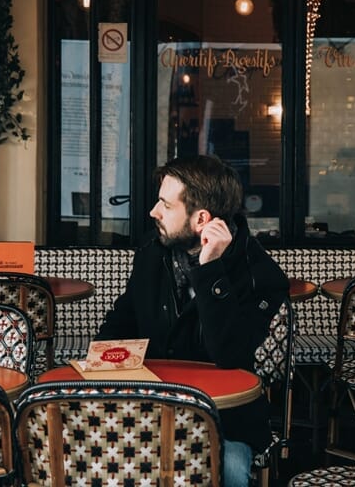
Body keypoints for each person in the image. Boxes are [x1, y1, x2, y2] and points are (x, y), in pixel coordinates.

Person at [96, 154, 290, 486]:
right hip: (149, 410)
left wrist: (210, 269)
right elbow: (120, 323)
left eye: (165, 205)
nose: (153, 212)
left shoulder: (261, 276)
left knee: (228, 472)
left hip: (224, 420)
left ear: (201, 219)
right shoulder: (152, 253)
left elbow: (229, 355)